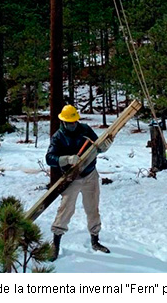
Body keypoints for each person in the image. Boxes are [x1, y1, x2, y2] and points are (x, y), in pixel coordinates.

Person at [45, 104, 114, 260]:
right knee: (66, 210)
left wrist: (104, 147)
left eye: (75, 121)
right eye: (70, 122)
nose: (73, 124)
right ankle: (55, 242)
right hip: (72, 178)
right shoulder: (58, 137)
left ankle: (95, 239)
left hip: (90, 175)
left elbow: (97, 145)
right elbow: (49, 158)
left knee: (93, 208)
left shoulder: (85, 129)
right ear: (63, 122)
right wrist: (66, 159)